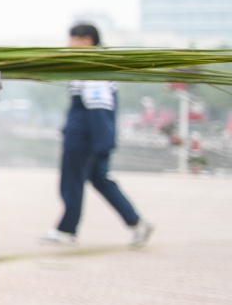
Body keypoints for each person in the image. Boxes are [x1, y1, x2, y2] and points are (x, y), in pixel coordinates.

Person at [40, 22, 153, 246]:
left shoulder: (92, 69)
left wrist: (99, 143)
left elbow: (98, 108)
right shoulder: (95, 67)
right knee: (101, 181)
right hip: (94, 139)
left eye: (72, 40)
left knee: (71, 183)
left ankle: (66, 230)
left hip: (83, 140)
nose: (68, 45)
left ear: (87, 41)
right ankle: (137, 223)